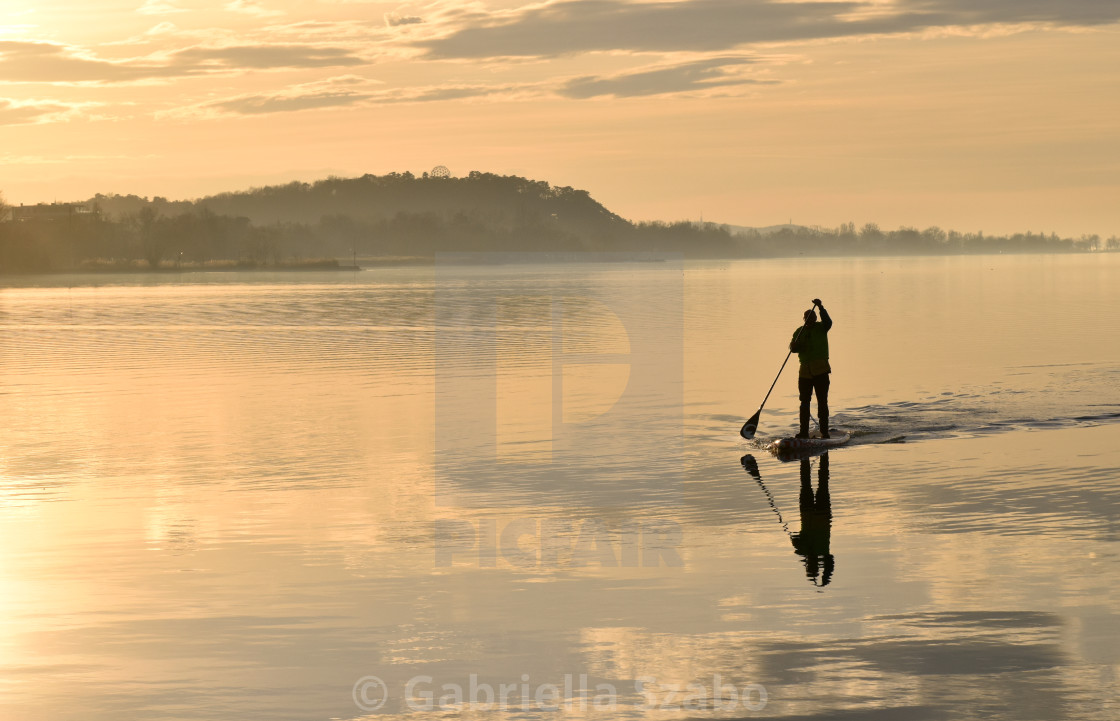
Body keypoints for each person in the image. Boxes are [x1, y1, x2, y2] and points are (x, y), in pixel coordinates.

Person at [789, 298, 832, 439]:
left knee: (822, 402)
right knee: (804, 402)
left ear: (815, 318)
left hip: (821, 372)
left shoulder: (822, 328)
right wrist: (794, 347)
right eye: (807, 318)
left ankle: (825, 432)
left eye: (812, 318)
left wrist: (820, 307)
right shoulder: (799, 331)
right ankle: (803, 432)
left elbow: (829, 322)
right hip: (805, 374)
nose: (810, 320)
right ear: (804, 319)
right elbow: (792, 347)